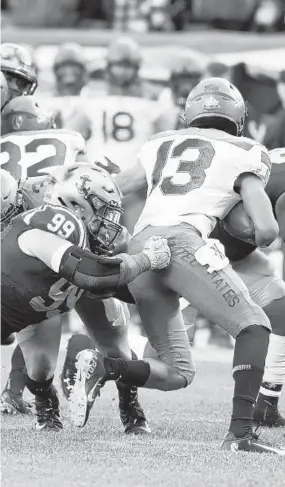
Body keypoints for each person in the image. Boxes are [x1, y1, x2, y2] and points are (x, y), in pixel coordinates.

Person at [68, 77, 285, 455]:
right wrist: (241, 225)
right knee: (255, 326)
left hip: (141, 247)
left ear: (190, 113)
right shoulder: (249, 149)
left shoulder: (162, 142)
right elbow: (266, 231)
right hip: (184, 242)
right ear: (237, 116)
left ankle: (105, 367)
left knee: (179, 372)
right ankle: (240, 435)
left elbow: (116, 186)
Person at [1, 160, 171, 431]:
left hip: (82, 269)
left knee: (115, 345)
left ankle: (130, 406)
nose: (108, 220)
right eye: (102, 210)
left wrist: (145, 281)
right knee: (40, 365)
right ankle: (46, 407)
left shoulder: (62, 201)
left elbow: (100, 273)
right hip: (40, 286)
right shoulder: (25, 211)